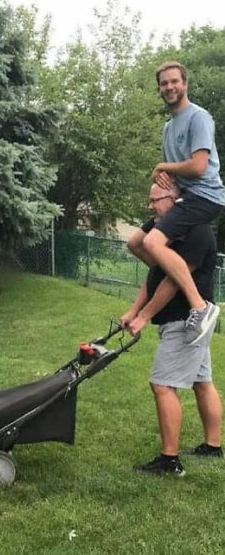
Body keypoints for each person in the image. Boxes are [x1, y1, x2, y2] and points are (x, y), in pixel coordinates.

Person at [121, 182, 223, 477]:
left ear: (176, 199)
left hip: (185, 320)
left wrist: (144, 317)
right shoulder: (167, 237)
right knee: (202, 382)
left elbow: (170, 284)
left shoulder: (197, 232)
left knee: (162, 385)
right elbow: (152, 275)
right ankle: (213, 446)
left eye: (155, 200)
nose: (150, 206)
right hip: (184, 320)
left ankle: (169, 460)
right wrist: (133, 310)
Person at [127, 61, 225, 345]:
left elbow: (197, 166)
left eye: (174, 82)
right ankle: (174, 274)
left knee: (153, 244)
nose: (169, 87)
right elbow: (173, 174)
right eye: (164, 83)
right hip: (184, 196)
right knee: (135, 242)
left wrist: (162, 166)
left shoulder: (199, 117)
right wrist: (160, 189)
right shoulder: (167, 129)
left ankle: (198, 306)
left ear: (185, 84)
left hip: (205, 196)